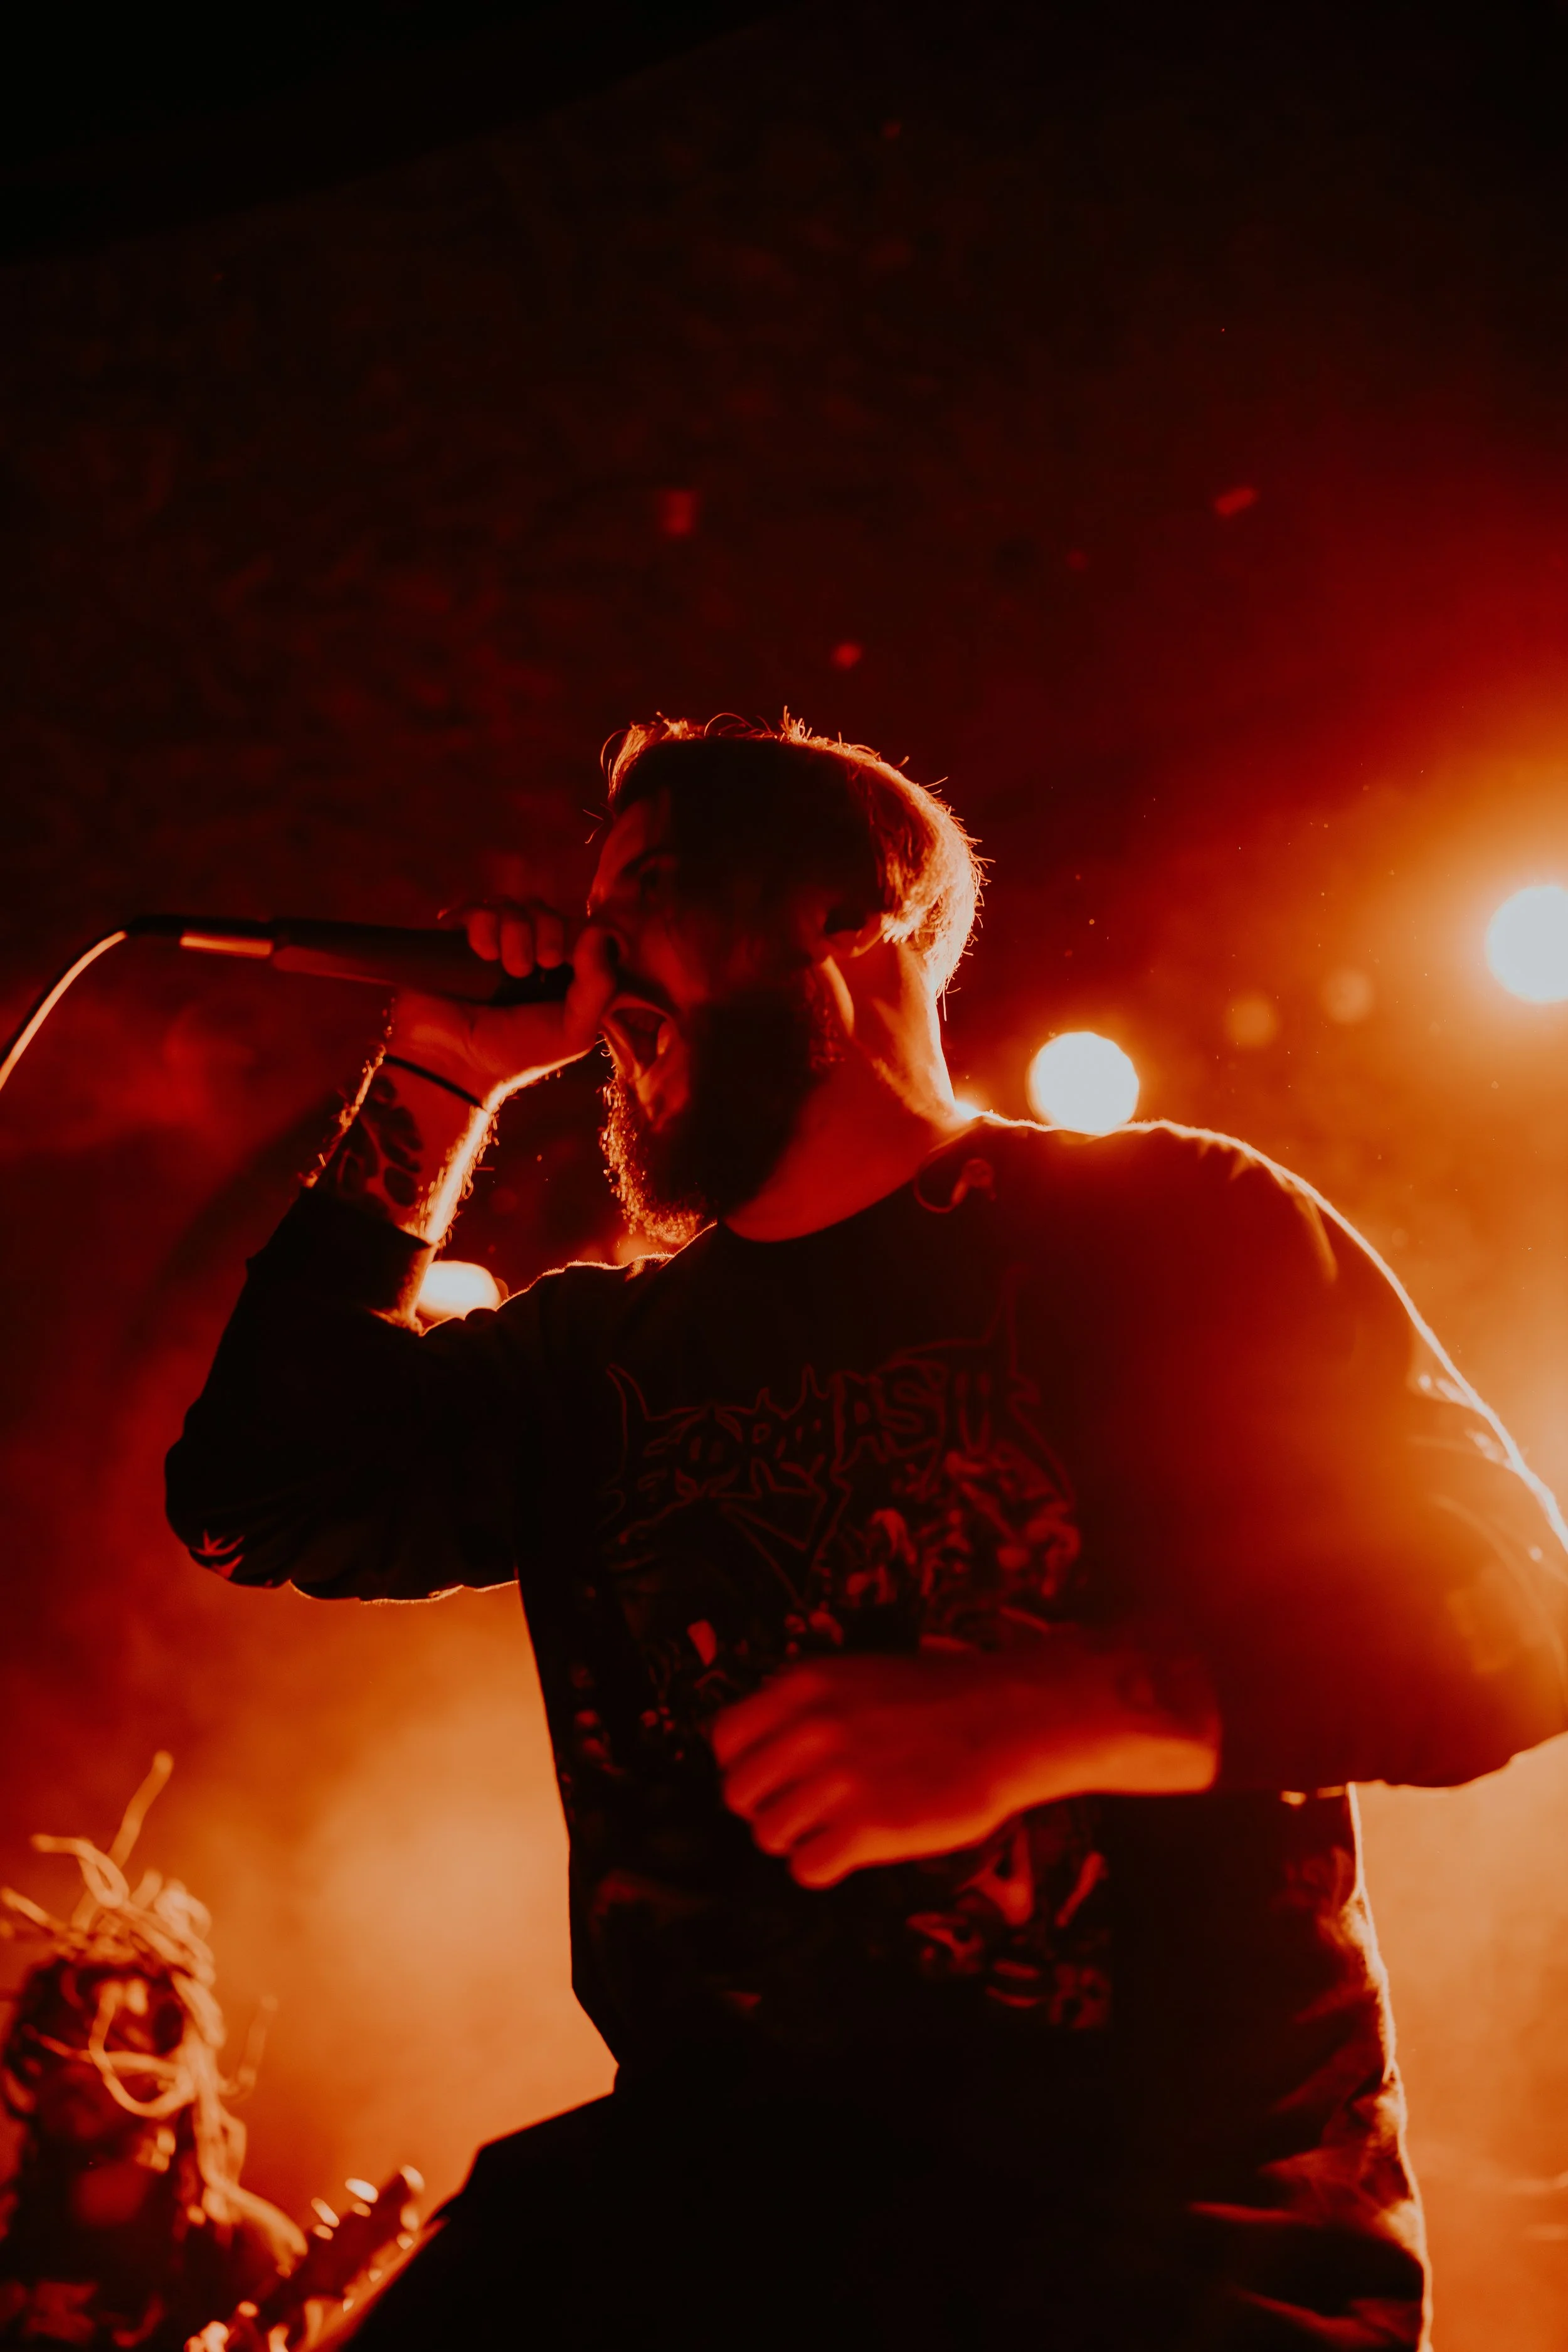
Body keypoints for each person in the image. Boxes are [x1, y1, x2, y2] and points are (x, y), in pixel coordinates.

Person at [166, 716, 1568, 2349]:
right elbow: (256, 1487)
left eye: (650, 894)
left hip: (1156, 2253)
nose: (594, 960)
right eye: (588, 915)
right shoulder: (595, 1363)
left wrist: (1047, 1705)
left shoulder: (1157, 1227)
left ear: (855, 915)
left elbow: (1511, 1610)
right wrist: (434, 1079)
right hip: (719, 2224)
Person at [0, 1759, 303, 2350]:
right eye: (53, 2042)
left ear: (173, 2068)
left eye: (110, 2040)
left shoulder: (253, 2256)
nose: (75, 2064)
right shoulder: (14, 2257)